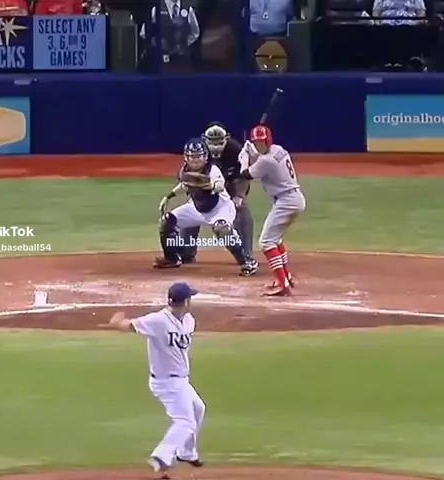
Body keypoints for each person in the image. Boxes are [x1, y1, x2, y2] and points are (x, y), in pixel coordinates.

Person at [105, 282, 205, 480]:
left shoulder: (188, 321)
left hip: (181, 380)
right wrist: (117, 322)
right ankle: (162, 456)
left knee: (198, 408)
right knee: (185, 422)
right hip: (167, 382)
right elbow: (128, 326)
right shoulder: (158, 320)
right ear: (186, 301)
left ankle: (187, 452)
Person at [154, 138, 257, 277]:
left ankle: (247, 261)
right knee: (167, 221)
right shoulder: (184, 171)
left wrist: (211, 186)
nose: (195, 160)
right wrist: (168, 196)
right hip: (196, 208)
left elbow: (220, 184)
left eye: (199, 156)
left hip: (221, 209)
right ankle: (171, 258)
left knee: (222, 229)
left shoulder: (212, 170)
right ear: (186, 157)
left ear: (205, 157)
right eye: (192, 156)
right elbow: (184, 185)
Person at [179, 122, 258, 274]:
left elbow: (243, 177)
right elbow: (187, 173)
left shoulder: (236, 150)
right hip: (206, 188)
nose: (215, 146)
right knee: (191, 210)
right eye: (212, 142)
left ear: (226, 139)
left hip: (230, 186)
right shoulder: (198, 151)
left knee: (241, 210)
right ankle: (186, 253)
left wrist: (239, 195)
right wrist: (194, 190)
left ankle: (246, 254)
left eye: (219, 142)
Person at [239, 125, 306, 296]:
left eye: (261, 142)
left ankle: (283, 285)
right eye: (256, 143)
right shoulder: (278, 149)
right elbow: (263, 159)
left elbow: (246, 174)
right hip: (294, 198)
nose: (259, 145)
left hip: (286, 201)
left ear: (268, 140)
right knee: (275, 240)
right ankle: (286, 277)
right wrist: (253, 153)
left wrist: (244, 157)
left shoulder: (265, 161)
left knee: (267, 242)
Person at [140, 0, 200, 73]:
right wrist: (157, 43)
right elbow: (144, 33)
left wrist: (184, 43)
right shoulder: (157, 9)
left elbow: (195, 32)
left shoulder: (188, 8)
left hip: (182, 61)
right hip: (162, 60)